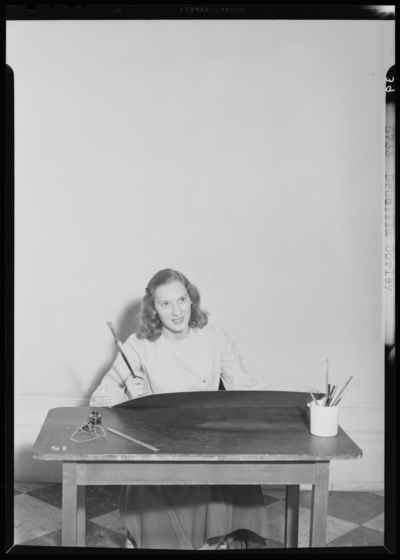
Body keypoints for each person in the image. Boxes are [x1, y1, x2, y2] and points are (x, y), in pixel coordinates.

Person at [90, 269, 303, 550]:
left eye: (182, 300)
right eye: (165, 304)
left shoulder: (214, 335)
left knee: (226, 470)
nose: (177, 311)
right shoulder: (138, 344)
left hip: (209, 439)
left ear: (191, 299)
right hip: (159, 445)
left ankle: (217, 539)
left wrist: (291, 398)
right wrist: (128, 394)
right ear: (153, 308)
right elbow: (99, 400)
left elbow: (242, 383)